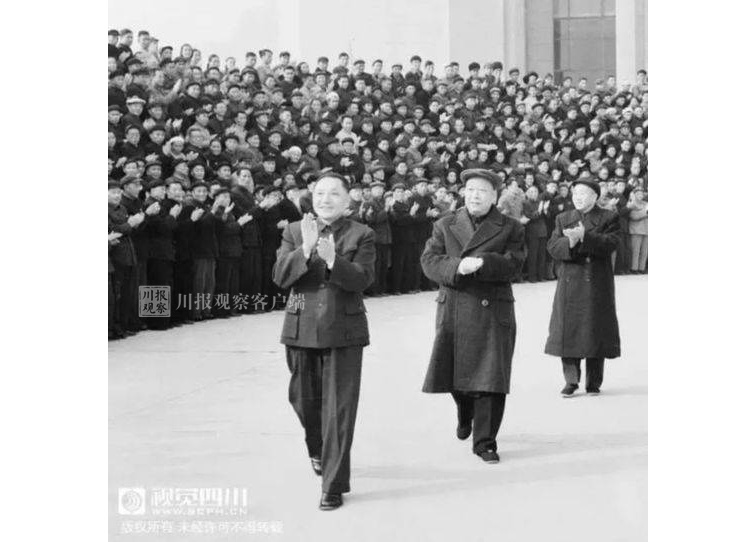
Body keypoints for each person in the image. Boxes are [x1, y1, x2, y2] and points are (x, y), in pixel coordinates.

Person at [272, 172, 376, 511]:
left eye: (334, 194)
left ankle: (333, 485)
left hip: (343, 330)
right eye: (319, 193)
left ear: (347, 201)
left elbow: (363, 279)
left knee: (339, 410)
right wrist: (305, 248)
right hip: (301, 328)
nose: (325, 200)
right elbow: (280, 277)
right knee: (304, 401)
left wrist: (333, 260)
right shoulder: (293, 231)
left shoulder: (362, 234)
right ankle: (317, 448)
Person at [420, 169, 525, 464]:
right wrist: (457, 267)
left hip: (493, 308)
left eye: (482, 191)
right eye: (470, 190)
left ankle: (485, 441)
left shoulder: (510, 227)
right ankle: (464, 410)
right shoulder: (445, 224)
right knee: (456, 374)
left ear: (494, 196)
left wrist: (483, 263)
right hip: (455, 305)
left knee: (491, 377)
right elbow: (428, 261)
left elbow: (515, 264)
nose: (475, 195)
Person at [545, 177, 622, 397]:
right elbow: (552, 246)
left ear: (595, 197)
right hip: (570, 282)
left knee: (595, 330)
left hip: (596, 281)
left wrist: (585, 237)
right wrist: (570, 242)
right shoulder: (563, 218)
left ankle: (593, 382)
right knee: (568, 331)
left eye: (583, 193)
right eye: (575, 193)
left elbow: (612, 243)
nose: (578, 197)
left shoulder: (608, 217)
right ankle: (571, 380)